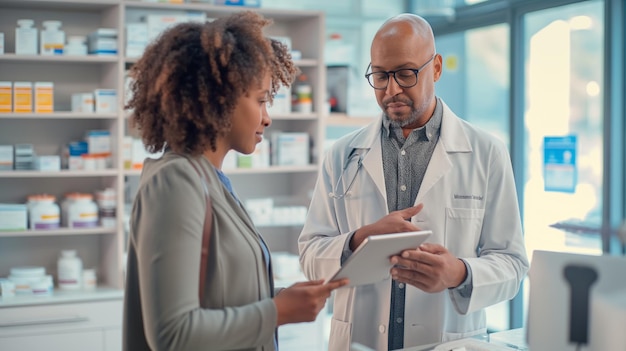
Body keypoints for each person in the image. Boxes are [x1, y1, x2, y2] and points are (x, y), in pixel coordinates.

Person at [298, 13, 529, 351]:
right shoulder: (342, 154)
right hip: (359, 340)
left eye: (405, 73)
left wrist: (459, 274)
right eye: (379, 75)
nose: (391, 89)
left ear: (435, 67)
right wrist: (361, 239)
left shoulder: (486, 152)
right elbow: (310, 254)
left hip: (448, 340)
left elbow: (512, 263)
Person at [122, 11, 347, 351]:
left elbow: (217, 296)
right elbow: (172, 334)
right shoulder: (175, 180)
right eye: (261, 100)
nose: (267, 118)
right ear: (218, 100)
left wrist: (280, 299)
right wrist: (275, 312)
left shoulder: (211, 180)